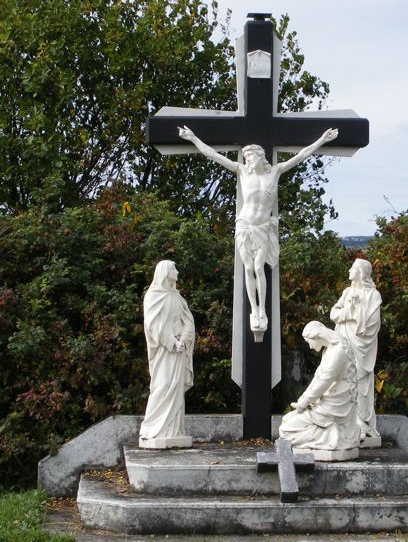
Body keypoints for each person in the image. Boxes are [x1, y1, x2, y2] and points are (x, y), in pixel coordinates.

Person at [178, 125, 338, 334]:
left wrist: (322, 140)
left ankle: (262, 310)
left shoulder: (276, 171)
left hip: (263, 226)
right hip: (245, 224)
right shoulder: (242, 171)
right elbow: (213, 155)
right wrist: (193, 138)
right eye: (246, 158)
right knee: (247, 267)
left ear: (261, 157)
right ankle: (254, 310)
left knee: (259, 267)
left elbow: (302, 155)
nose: (248, 161)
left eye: (251, 158)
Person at [279, 321, 361, 459]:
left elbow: (324, 381)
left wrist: (304, 402)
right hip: (328, 400)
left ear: (317, 336)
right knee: (286, 421)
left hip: (336, 404)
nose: (310, 346)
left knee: (286, 430)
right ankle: (329, 432)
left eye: (309, 341)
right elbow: (318, 378)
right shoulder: (330, 349)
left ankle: (331, 435)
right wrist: (302, 402)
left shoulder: (339, 350)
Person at [139, 260, 195, 448]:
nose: (177, 272)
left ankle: (174, 431)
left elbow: (188, 320)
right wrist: (173, 342)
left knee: (176, 389)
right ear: (165, 272)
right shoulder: (153, 296)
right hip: (165, 351)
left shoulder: (178, 298)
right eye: (174, 268)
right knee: (162, 386)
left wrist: (184, 340)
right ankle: (152, 429)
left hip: (179, 351)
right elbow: (153, 325)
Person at [330, 259, 382, 443]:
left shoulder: (374, 296)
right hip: (344, 342)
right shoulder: (347, 292)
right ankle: (344, 422)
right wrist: (350, 313)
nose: (349, 270)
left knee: (361, 384)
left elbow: (373, 324)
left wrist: (354, 317)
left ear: (361, 273)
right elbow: (333, 314)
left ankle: (362, 423)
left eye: (353, 268)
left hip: (362, 347)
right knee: (343, 380)